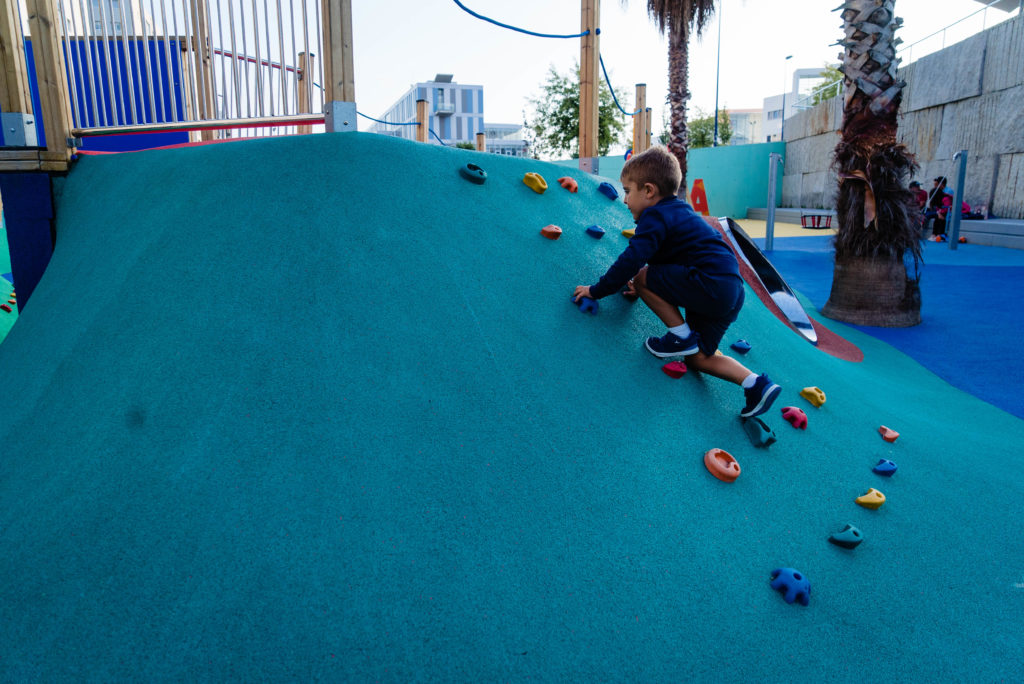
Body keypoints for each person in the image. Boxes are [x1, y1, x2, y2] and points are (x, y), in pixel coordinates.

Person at [571, 146, 781, 418]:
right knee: (698, 357)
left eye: (627, 191)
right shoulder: (680, 213)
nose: (624, 200)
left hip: (710, 282)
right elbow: (675, 258)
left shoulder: (654, 215)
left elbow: (633, 259)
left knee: (642, 275)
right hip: (729, 291)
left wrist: (597, 290)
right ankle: (756, 384)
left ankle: (680, 336)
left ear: (648, 191)